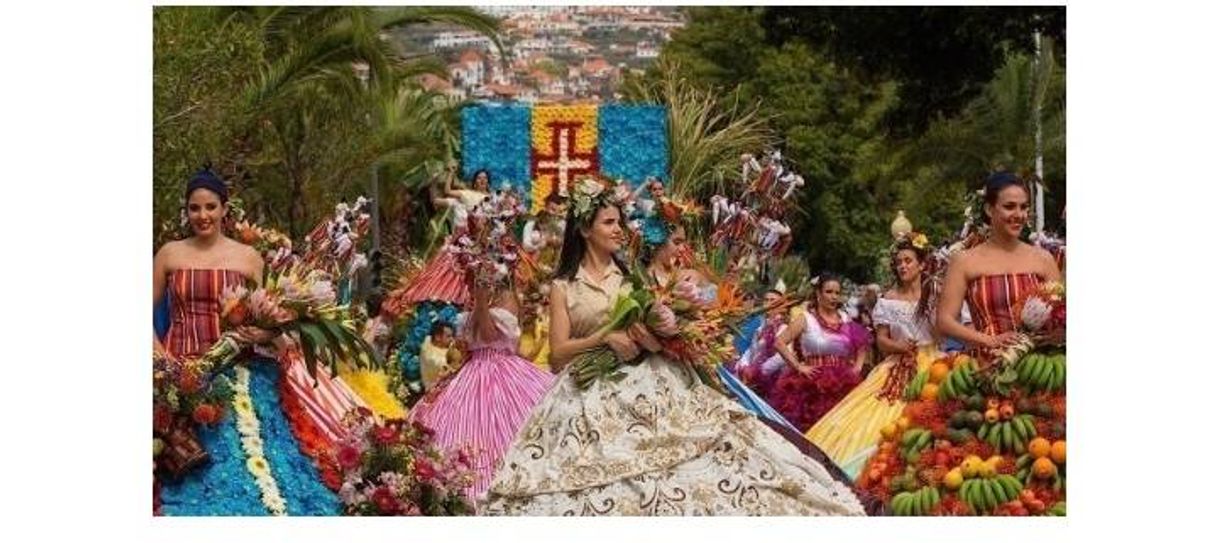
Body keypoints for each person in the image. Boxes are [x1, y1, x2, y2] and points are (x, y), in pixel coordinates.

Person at [481, 179, 866, 515]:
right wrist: (606, 339)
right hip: (586, 393)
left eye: (621, 222)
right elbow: (558, 354)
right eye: (609, 223)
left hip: (648, 382)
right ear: (584, 229)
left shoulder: (632, 276)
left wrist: (655, 336)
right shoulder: (564, 285)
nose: (619, 230)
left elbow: (653, 328)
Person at [154, 168, 341, 515]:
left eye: (210, 207)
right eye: (195, 208)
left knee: (248, 461)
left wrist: (265, 332)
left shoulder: (248, 257)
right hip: (179, 372)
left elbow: (274, 317)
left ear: (225, 209)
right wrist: (162, 362)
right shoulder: (169, 254)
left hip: (237, 370)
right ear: (187, 211)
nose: (203, 215)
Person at [805, 234, 943, 480]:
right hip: (897, 364)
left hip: (933, 361)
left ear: (922, 264)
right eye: (899, 262)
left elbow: (944, 329)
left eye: (908, 261)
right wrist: (899, 346)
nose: (903, 266)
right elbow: (881, 340)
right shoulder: (888, 300)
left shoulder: (936, 295)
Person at [408, 276, 555, 503]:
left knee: (501, 430)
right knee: (459, 428)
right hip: (470, 372)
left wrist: (481, 300)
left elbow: (489, 336)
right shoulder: (474, 296)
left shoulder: (507, 296)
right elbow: (466, 343)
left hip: (501, 370)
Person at [936, 173, 1062, 355]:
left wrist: (1059, 333)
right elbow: (944, 321)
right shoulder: (964, 261)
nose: (1019, 215)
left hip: (1040, 368)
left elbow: (1061, 314)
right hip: (987, 367)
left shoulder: (1043, 259)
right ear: (989, 209)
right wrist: (990, 341)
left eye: (1024, 207)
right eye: (1009, 207)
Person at [769, 275, 872, 433]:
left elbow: (862, 344)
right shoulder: (806, 319)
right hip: (810, 385)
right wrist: (798, 366)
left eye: (837, 293)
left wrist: (857, 368)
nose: (833, 297)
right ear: (818, 294)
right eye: (829, 292)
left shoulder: (845, 320)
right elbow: (779, 342)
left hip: (843, 385)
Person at [419, 322, 457, 392]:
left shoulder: (428, 340)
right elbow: (454, 368)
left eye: (452, 336)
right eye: (448, 336)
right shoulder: (434, 359)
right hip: (440, 393)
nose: (452, 339)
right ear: (438, 337)